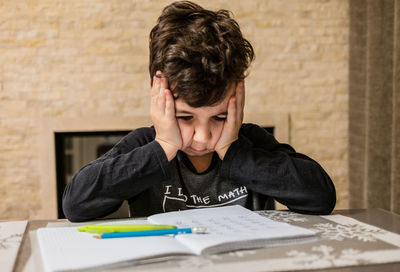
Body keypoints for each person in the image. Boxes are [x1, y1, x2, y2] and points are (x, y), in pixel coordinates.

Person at [63, 1, 336, 222]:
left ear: (237, 98)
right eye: (185, 117)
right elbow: (75, 204)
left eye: (219, 117)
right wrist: (164, 146)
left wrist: (233, 151)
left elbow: (321, 196)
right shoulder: (145, 145)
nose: (202, 138)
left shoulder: (250, 142)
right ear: (158, 94)